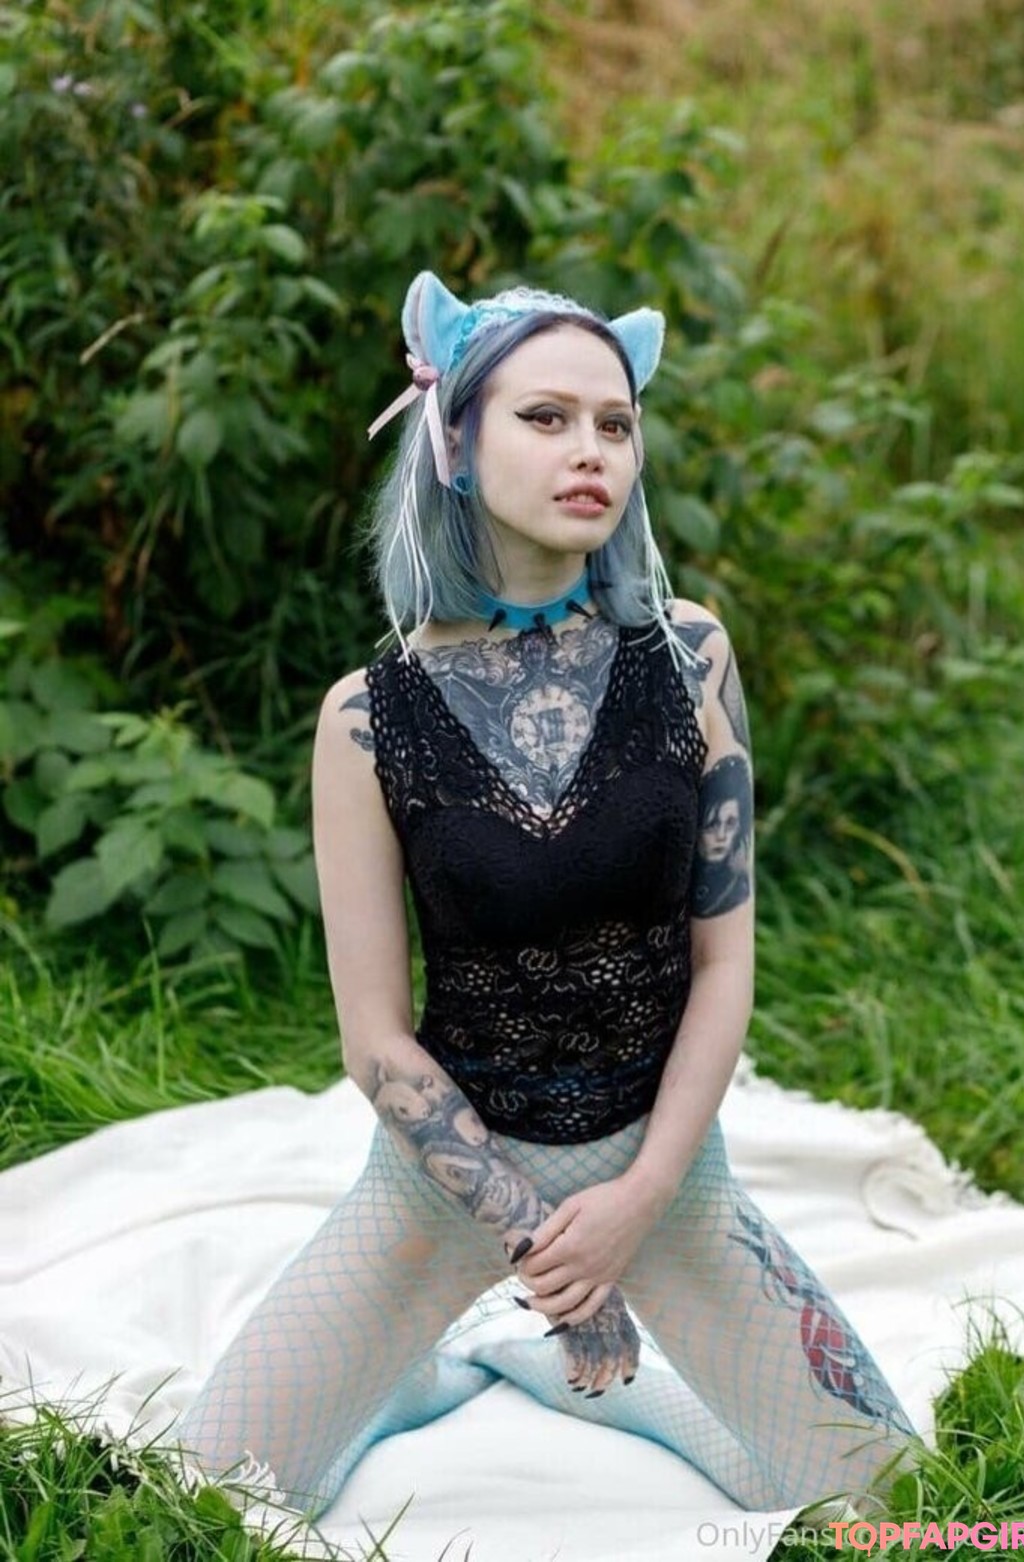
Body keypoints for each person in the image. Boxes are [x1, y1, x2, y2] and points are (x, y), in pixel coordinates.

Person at [175, 270, 916, 1521]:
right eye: (546, 417)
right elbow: (375, 1040)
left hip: (660, 1171)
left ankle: (617, 1395)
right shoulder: (365, 719)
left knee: (899, 1507)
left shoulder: (691, 655)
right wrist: (547, 1249)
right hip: (448, 1175)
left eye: (615, 422)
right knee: (202, 1498)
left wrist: (637, 1203)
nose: (591, 450)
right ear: (457, 443)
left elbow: (724, 964)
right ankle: (411, 1377)